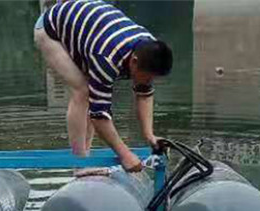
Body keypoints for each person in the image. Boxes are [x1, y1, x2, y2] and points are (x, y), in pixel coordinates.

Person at [34, 0, 173, 172]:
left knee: (92, 94)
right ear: (134, 62)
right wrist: (125, 154)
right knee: (83, 92)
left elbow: (144, 94)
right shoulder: (106, 58)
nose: (148, 82)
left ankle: (86, 158)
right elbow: (99, 116)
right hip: (51, 29)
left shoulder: (150, 48)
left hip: (89, 30)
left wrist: (149, 135)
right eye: (148, 77)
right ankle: (80, 165)